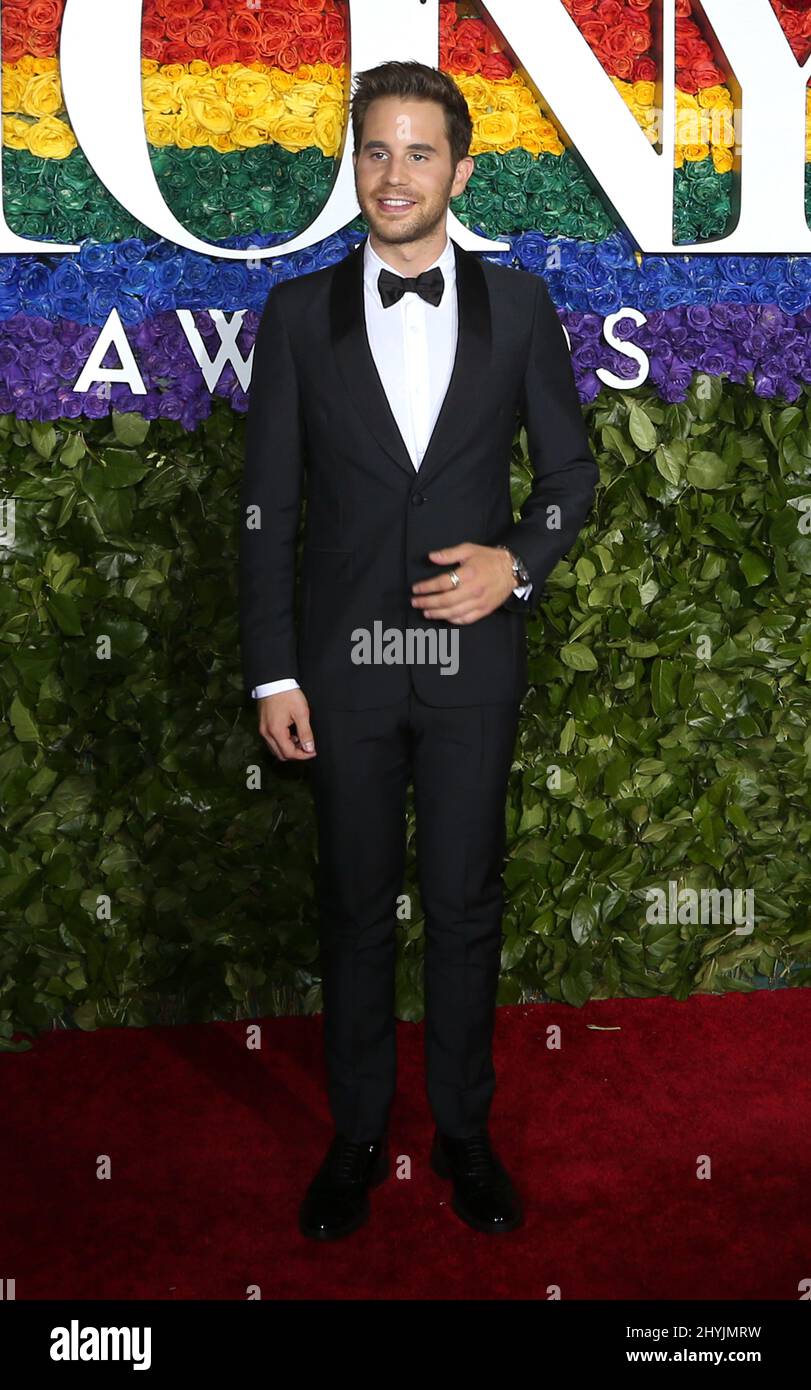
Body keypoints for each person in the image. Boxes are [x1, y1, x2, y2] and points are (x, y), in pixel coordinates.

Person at [239, 60, 599, 1240]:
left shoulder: (521, 309)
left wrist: (517, 562)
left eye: (419, 153)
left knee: (461, 902)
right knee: (351, 904)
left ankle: (462, 1133)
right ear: (355, 164)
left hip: (469, 667)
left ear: (461, 170)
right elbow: (268, 507)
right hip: (336, 674)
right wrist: (273, 668)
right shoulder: (296, 316)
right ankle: (354, 1137)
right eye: (376, 152)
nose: (394, 176)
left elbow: (569, 476)